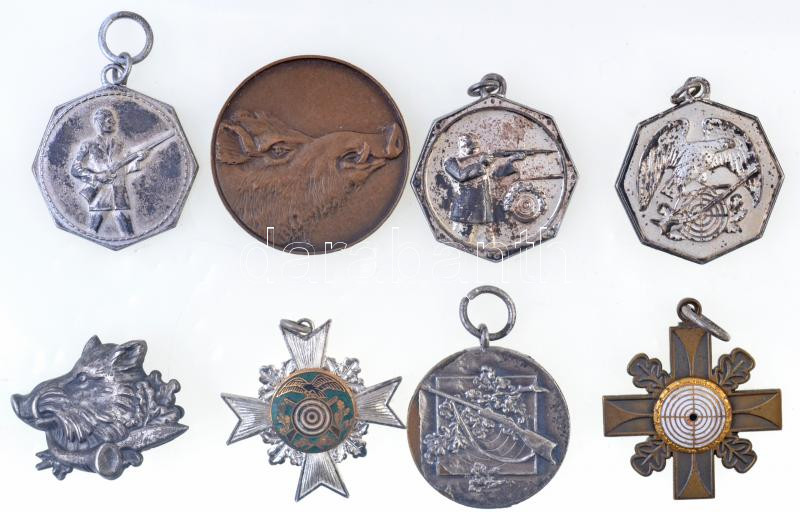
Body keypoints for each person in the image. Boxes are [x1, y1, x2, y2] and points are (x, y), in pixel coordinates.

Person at [71, 108, 145, 235]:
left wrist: (138, 159)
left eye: (113, 120)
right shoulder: (88, 145)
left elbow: (124, 168)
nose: (114, 122)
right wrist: (96, 177)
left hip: (119, 193)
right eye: (109, 120)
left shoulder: (120, 144)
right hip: (100, 195)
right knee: (93, 232)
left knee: (128, 233)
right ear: (100, 123)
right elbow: (75, 169)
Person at [443, 134, 522, 224]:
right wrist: (480, 164)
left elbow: (495, 175)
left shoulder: (481, 160)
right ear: (462, 146)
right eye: (470, 146)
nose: (473, 150)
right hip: (464, 214)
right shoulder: (450, 161)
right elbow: (460, 176)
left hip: (483, 212)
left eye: (475, 146)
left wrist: (511, 161)